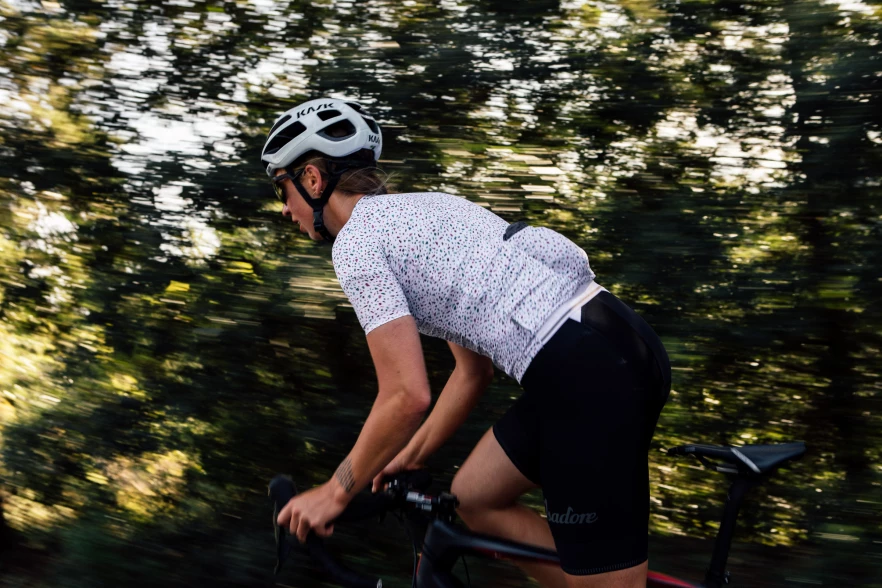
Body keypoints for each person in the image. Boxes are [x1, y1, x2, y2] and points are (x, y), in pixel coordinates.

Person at [264, 98, 671, 588]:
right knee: (476, 496)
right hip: (610, 343)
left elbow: (405, 395)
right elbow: (472, 372)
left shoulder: (356, 244)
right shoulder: (422, 209)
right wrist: (409, 455)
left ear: (312, 179)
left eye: (281, 187)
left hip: (581, 373)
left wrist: (336, 491)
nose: (284, 207)